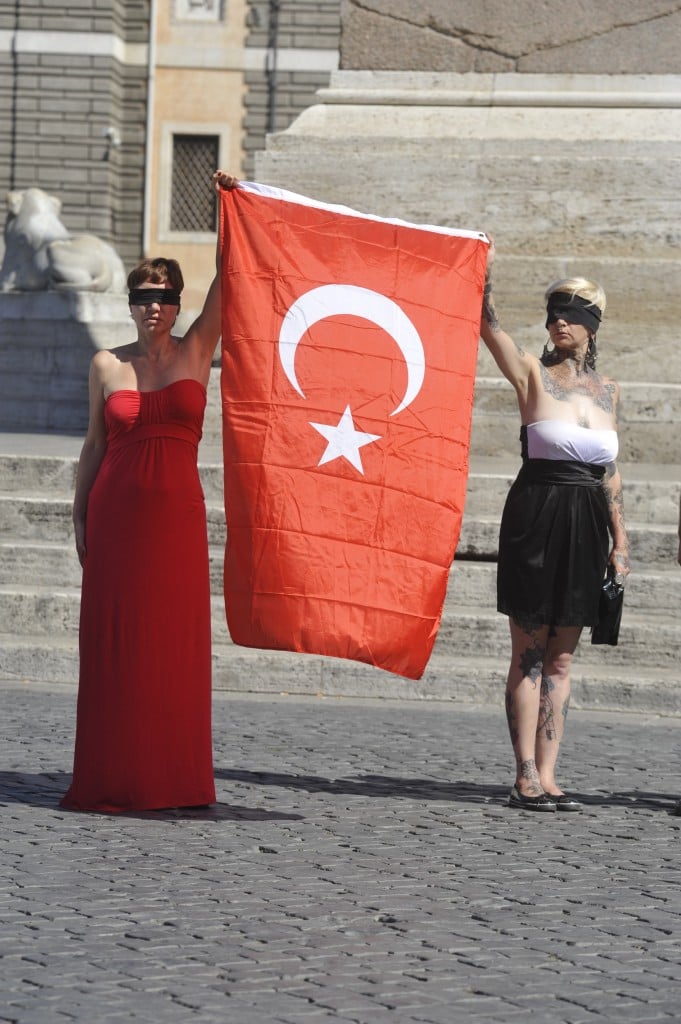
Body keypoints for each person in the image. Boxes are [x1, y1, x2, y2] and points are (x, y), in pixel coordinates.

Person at [61, 171, 238, 813]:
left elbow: (231, 272)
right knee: (118, 643)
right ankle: (113, 775)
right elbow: (92, 446)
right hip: (115, 517)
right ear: (130, 302)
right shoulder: (106, 364)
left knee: (172, 643)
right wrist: (79, 515)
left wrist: (228, 204)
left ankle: (173, 777)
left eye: (163, 296)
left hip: (175, 522)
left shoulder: (197, 350)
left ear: (178, 302)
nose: (152, 306)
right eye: (142, 296)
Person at [480, 243, 630, 812]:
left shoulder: (609, 391)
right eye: (553, 315)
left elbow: (610, 471)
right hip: (536, 513)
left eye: (572, 315)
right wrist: (480, 281)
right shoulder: (530, 374)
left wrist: (622, 538)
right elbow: (486, 328)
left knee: (563, 657)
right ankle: (522, 773)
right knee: (530, 652)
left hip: (588, 521)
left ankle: (549, 772)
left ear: (592, 327)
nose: (560, 322)